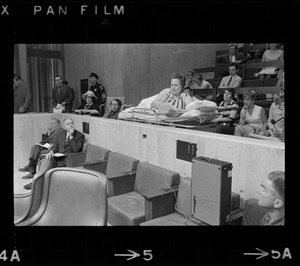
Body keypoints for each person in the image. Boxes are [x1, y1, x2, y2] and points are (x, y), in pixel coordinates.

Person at [24, 118, 85, 190]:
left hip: (68, 159)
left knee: (48, 162)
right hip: (57, 156)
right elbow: (55, 146)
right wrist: (51, 151)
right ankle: (37, 181)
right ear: (64, 126)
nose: (71, 125)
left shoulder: (80, 135)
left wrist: (71, 137)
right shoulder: (61, 134)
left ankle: (37, 183)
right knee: (46, 159)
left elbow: (76, 150)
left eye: (72, 123)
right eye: (68, 124)